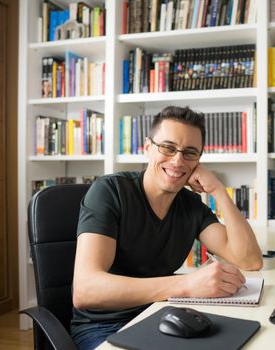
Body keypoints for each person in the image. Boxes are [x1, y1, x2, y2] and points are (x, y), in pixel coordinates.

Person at [70, 106, 263, 350]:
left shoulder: (190, 205)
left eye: (190, 153)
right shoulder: (110, 191)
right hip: (104, 327)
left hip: (161, 314)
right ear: (148, 148)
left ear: (198, 161)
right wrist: (187, 285)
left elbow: (250, 260)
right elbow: (86, 291)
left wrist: (218, 192)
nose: (178, 160)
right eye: (168, 148)